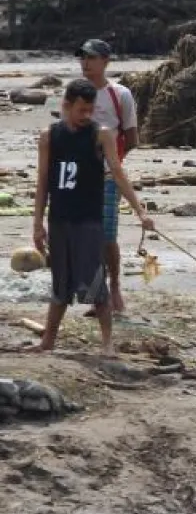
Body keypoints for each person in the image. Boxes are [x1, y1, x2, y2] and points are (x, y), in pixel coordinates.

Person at [32, 79, 154, 355]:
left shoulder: (102, 135)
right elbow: (42, 183)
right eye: (81, 110)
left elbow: (118, 173)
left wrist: (140, 210)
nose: (86, 116)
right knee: (60, 284)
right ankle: (48, 341)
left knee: (96, 282)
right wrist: (37, 224)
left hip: (89, 219)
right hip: (60, 219)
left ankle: (108, 344)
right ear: (66, 106)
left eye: (90, 110)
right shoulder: (49, 136)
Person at [77, 39, 139, 314]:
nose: (85, 63)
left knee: (107, 236)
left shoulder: (120, 94)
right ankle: (96, 292)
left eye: (91, 58)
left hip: (107, 175)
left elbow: (132, 136)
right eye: (82, 58)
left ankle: (114, 287)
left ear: (105, 61)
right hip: (77, 176)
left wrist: (114, 162)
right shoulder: (76, 93)